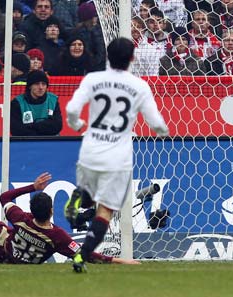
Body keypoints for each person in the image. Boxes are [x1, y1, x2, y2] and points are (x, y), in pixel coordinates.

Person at [65, 37, 169, 272]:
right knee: (106, 210)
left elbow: (72, 109)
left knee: (90, 192)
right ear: (133, 58)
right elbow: (155, 123)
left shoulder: (93, 79)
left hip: (91, 148)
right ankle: (82, 255)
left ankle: (79, 196)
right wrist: (163, 132)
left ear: (107, 56)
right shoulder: (139, 86)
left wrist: (77, 123)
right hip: (118, 156)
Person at [0, 172, 139, 265]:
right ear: (51, 211)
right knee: (4, 230)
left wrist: (32, 187)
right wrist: (121, 260)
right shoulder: (58, 237)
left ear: (31, 210)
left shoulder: (21, 218)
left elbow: (4, 198)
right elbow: (86, 256)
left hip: (6, 252)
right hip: (21, 261)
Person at [10, 70, 63, 136]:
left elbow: (57, 126)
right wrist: (45, 125)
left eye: (43, 84)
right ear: (30, 86)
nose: (41, 87)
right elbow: (16, 130)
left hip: (51, 142)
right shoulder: (17, 103)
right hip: (26, 143)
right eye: (37, 84)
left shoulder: (53, 100)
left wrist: (32, 126)